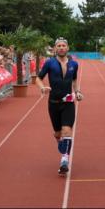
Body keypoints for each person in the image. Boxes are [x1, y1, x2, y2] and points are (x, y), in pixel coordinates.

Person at [37, 37, 82, 175]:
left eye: (64, 45)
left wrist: (77, 91)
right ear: (55, 48)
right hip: (53, 103)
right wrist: (42, 87)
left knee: (67, 130)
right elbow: (38, 78)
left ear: (67, 48)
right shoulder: (49, 63)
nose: (61, 48)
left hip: (68, 102)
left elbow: (74, 79)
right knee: (58, 133)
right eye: (59, 46)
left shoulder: (74, 64)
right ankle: (63, 146)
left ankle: (64, 160)